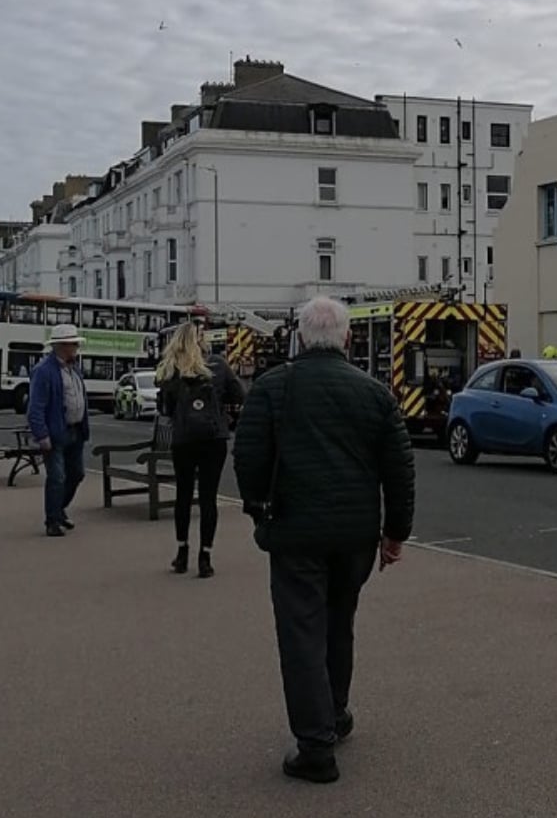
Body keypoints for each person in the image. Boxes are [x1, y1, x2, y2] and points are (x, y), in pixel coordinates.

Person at [234, 295, 415, 785]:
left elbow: (247, 459)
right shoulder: (375, 393)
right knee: (339, 624)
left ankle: (315, 746)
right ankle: (334, 714)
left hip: (295, 531)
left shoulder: (273, 388)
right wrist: (395, 534)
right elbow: (399, 471)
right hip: (355, 536)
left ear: (298, 337)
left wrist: (258, 512)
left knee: (302, 634)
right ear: (348, 339)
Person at [156, 321, 244, 578]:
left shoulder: (170, 369)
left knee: (183, 495)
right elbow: (239, 395)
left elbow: (165, 409)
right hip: (213, 439)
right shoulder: (217, 364)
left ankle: (182, 552)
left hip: (184, 440)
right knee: (208, 498)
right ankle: (205, 557)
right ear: (201, 340)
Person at [27, 324, 90, 538]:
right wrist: (42, 435)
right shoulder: (44, 371)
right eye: (73, 344)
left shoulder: (74, 369)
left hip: (76, 431)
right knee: (57, 477)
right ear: (61, 346)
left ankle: (58, 509)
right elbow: (35, 407)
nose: (76, 348)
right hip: (55, 433)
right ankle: (52, 520)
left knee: (77, 473)